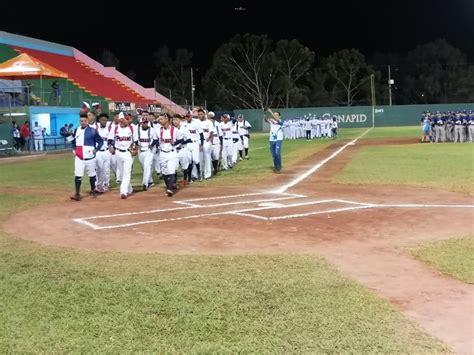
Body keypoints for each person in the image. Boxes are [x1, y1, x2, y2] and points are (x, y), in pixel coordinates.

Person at [70, 113, 103, 201]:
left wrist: (96, 149)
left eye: (85, 121)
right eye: (81, 121)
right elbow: (72, 141)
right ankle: (77, 193)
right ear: (79, 121)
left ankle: (93, 190)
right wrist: (74, 149)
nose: (83, 122)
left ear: (88, 121)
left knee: (92, 175)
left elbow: (100, 141)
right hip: (79, 157)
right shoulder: (76, 130)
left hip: (90, 157)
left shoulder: (93, 131)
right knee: (78, 175)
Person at [264, 108, 283, 173]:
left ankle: (278, 168)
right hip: (271, 140)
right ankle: (276, 166)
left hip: (278, 139)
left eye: (276, 115)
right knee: (274, 155)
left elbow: (276, 120)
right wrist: (265, 113)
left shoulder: (280, 121)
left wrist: (270, 112)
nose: (275, 116)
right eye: (274, 115)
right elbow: (266, 119)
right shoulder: (272, 121)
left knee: (277, 153)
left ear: (279, 116)